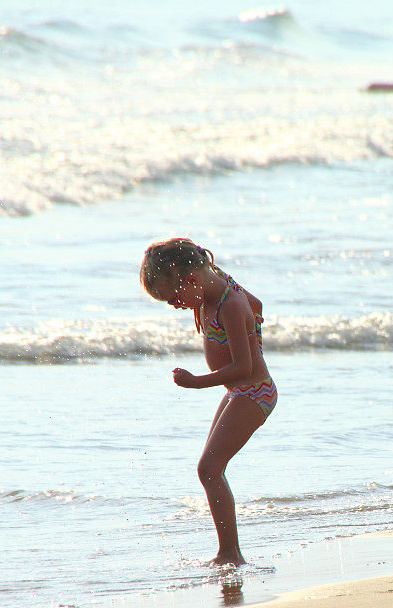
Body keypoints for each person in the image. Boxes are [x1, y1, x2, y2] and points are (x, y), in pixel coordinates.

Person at [140, 238, 277, 565]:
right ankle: (228, 550)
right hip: (239, 391)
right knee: (209, 468)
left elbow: (244, 367)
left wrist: (195, 382)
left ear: (190, 280)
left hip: (253, 392)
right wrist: (251, 322)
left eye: (172, 298)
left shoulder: (228, 304)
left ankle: (230, 553)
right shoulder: (211, 289)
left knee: (209, 469)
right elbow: (257, 304)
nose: (174, 305)